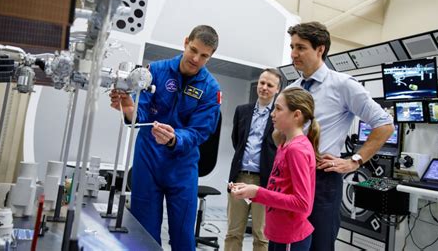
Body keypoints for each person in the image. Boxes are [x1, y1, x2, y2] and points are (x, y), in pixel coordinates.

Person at [109, 25, 221, 250]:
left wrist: (174, 139)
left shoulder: (210, 88)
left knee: (182, 235)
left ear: (211, 57)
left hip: (182, 165)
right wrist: (129, 109)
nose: (196, 59)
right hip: (148, 160)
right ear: (185, 41)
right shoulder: (156, 71)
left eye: (204, 56)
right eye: (193, 50)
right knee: (145, 232)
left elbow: (201, 130)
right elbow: (139, 113)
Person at [285, 22, 394, 251]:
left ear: (320, 49)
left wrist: (354, 161)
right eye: (292, 46)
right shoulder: (292, 89)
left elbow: (384, 125)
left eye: (301, 47)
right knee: (288, 244)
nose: (293, 53)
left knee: (319, 246)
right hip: (289, 176)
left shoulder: (343, 85)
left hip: (321, 179)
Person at [230, 87, 320, 251]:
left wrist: (257, 192)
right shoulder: (284, 145)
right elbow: (278, 189)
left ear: (296, 115)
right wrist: (250, 192)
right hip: (278, 233)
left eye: (278, 109)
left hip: (290, 238)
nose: (272, 113)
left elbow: (302, 203)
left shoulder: (297, 150)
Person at [225, 68, 282, 251]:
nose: (264, 87)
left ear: (278, 89)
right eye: (262, 83)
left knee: (262, 235)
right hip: (240, 177)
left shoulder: (280, 115)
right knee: (233, 232)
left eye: (269, 85)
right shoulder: (242, 111)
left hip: (265, 182)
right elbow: (237, 141)